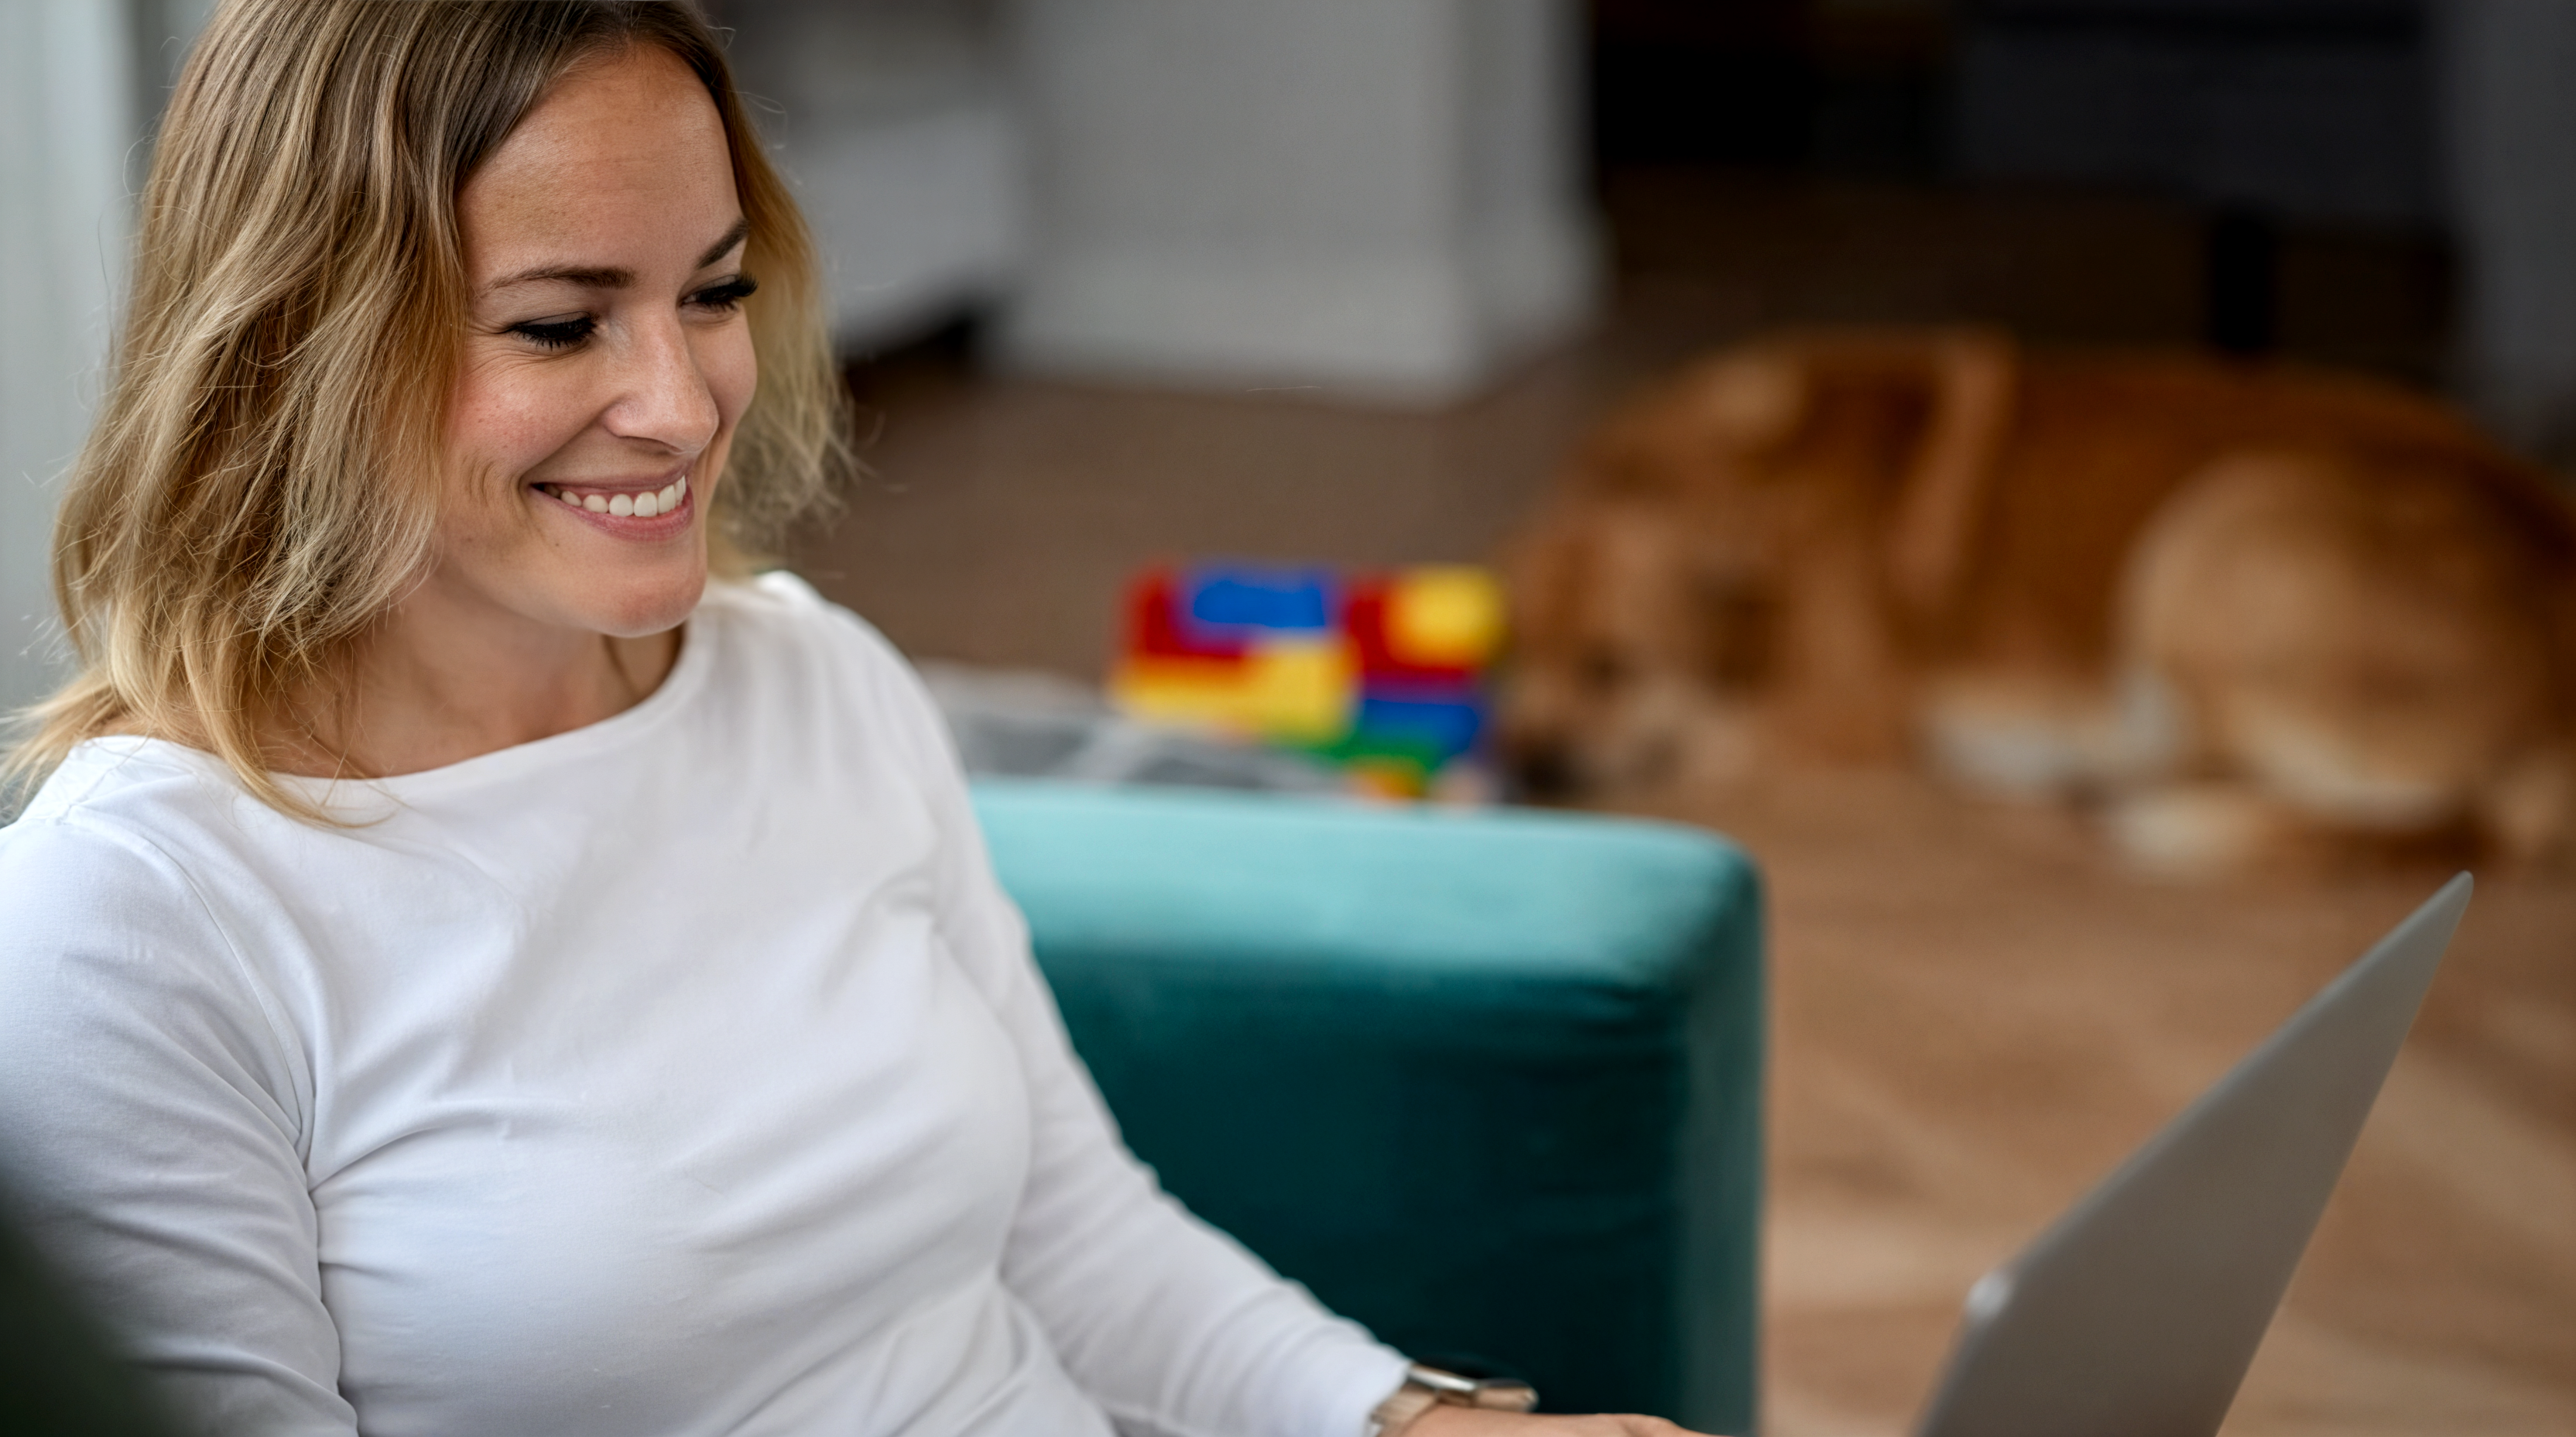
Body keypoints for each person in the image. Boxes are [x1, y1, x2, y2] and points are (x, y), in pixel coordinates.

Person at [0, 4, 1717, 1435]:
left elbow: (1070, 1230)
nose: (679, 404)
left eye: (715, 291)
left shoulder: (811, 680)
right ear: (301, 343)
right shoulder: (138, 912)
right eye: (558, 322)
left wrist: (1406, 1417)